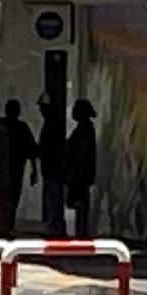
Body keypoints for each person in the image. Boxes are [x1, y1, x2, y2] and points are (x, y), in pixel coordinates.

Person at [1, 98, 39, 230]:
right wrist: (34, 170)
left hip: (5, 168)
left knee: (7, 196)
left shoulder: (2, 127)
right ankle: (8, 223)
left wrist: (34, 170)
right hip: (13, 167)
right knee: (12, 196)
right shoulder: (20, 127)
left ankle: (5, 223)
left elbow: (32, 150)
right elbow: (32, 151)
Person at [64, 98, 98, 238]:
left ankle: (81, 234)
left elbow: (81, 154)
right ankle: (80, 233)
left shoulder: (84, 130)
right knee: (80, 206)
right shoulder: (84, 129)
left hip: (79, 176)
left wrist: (72, 172)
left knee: (80, 205)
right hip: (80, 175)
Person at [37, 93, 67, 236]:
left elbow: (50, 147)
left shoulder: (52, 124)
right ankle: (54, 227)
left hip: (53, 168)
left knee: (54, 199)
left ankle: (55, 229)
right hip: (51, 168)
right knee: (52, 198)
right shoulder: (52, 123)